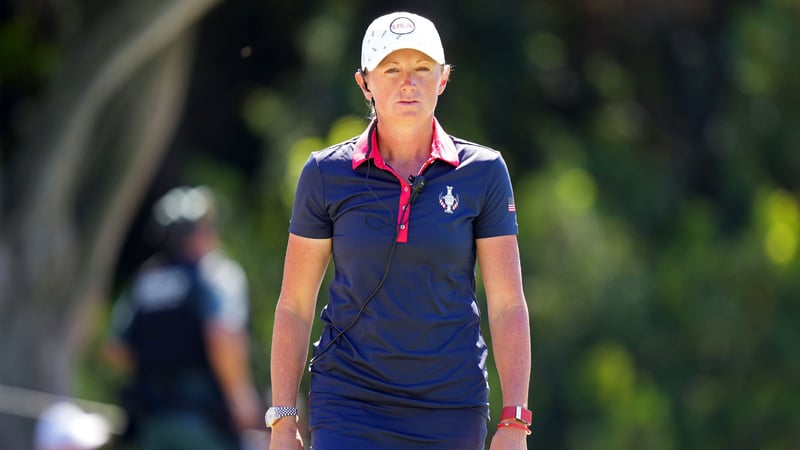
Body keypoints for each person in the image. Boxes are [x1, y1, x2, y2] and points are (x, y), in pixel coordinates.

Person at [267, 11, 532, 450]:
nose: (407, 82)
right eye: (391, 69)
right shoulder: (324, 173)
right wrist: (283, 421)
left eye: (422, 69)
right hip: (349, 403)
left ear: (443, 79)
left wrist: (515, 421)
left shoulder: (484, 172)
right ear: (364, 82)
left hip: (451, 405)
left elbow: (507, 304)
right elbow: (294, 305)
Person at [106, 186, 262, 450]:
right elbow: (223, 335)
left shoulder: (146, 280)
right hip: (203, 421)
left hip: (151, 423)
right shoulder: (216, 274)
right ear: (200, 232)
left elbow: (116, 349)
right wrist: (242, 400)